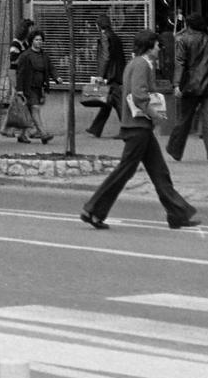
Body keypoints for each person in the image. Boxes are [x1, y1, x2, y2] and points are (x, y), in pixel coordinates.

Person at [79, 30, 201, 231]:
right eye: (156, 44)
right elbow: (139, 95)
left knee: (159, 172)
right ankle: (92, 210)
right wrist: (155, 114)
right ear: (149, 46)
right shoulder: (142, 65)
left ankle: (178, 214)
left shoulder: (135, 63)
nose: (159, 48)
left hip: (139, 127)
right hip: (138, 127)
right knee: (124, 172)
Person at [168, 12, 208, 165]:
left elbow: (180, 63)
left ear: (188, 25)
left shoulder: (183, 40)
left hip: (190, 86)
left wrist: (177, 84)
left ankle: (175, 150)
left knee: (184, 119)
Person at [14, 29, 56, 145]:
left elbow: (51, 68)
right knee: (35, 109)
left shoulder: (44, 56)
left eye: (41, 40)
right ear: (32, 41)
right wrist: (20, 90)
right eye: (37, 40)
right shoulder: (25, 56)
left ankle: (22, 135)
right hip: (28, 88)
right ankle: (43, 134)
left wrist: (57, 78)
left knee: (28, 112)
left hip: (39, 88)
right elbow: (20, 73)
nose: (39, 42)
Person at [86, 15, 125, 139]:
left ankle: (127, 129)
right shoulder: (115, 37)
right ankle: (95, 129)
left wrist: (101, 76)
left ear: (98, 26)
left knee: (117, 103)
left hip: (110, 75)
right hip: (117, 73)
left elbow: (105, 57)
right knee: (107, 103)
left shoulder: (104, 37)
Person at [0, 19, 32, 137]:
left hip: (23, 73)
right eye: (29, 29)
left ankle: (9, 129)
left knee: (16, 102)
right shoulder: (16, 44)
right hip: (15, 73)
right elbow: (14, 60)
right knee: (18, 100)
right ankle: (10, 129)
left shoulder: (25, 43)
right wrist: (26, 57)